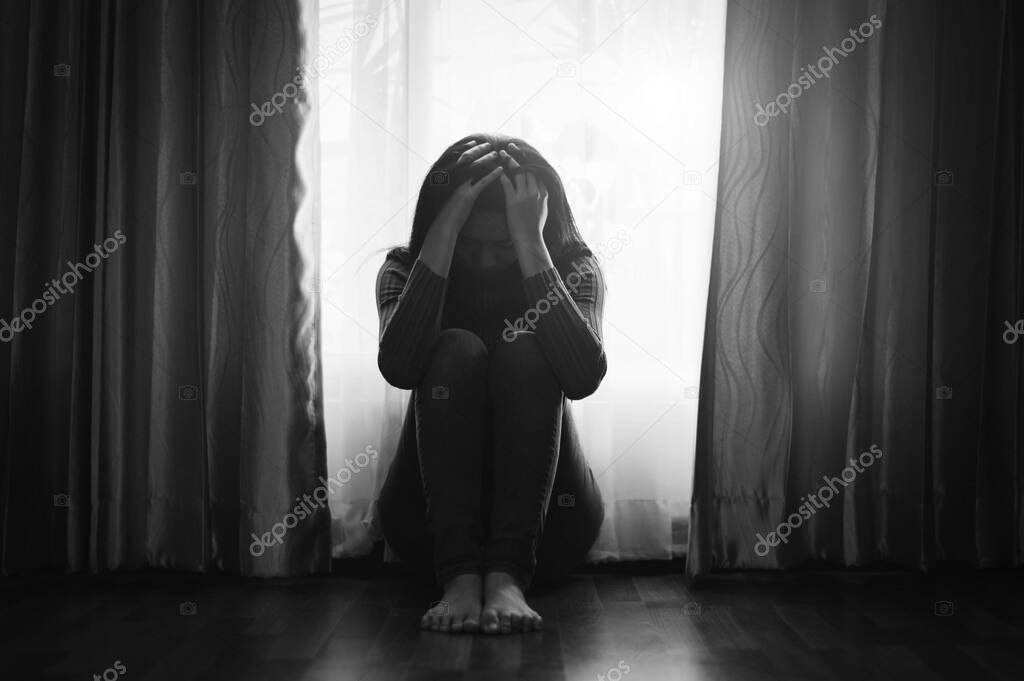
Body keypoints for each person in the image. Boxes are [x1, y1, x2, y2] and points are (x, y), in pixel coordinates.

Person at [374, 134, 606, 635]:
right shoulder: (402, 270)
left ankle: (508, 575)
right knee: (455, 347)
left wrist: (531, 246)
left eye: (500, 246)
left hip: (551, 534)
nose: (482, 262)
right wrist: (443, 234)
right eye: (468, 244)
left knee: (524, 347)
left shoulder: (576, 270)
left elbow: (583, 377)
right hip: (426, 536)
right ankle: (458, 576)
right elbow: (400, 367)